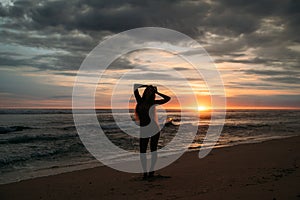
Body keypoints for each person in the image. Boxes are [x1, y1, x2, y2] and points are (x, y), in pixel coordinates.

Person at [134, 84, 171, 179]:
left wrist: (157, 92)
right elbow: (135, 87)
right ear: (145, 91)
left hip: (154, 128)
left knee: (153, 151)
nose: (149, 92)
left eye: (151, 91)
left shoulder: (153, 102)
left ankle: (151, 171)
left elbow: (168, 98)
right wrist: (146, 85)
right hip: (144, 129)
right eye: (148, 90)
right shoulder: (139, 100)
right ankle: (145, 173)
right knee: (142, 151)